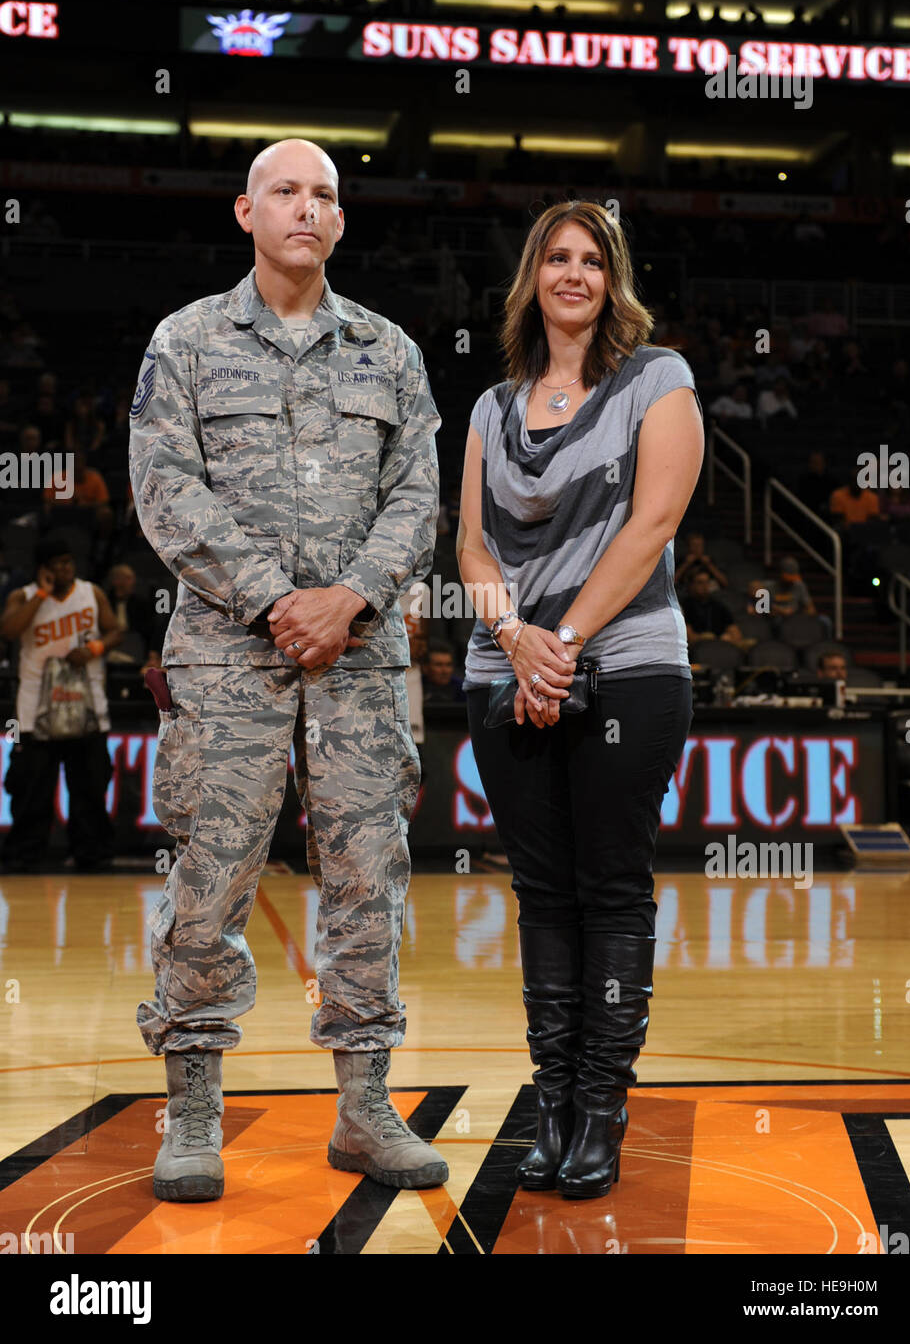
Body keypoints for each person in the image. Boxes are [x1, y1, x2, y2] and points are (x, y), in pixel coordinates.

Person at [128, 138, 445, 1202]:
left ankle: (363, 1111)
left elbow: (417, 501)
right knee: (207, 885)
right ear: (245, 212)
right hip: (228, 663)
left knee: (368, 884)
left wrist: (348, 598)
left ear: (341, 221)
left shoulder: (391, 351)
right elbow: (166, 491)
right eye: (285, 192)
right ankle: (192, 1114)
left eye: (324, 194)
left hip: (357, 666)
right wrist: (275, 599)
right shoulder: (184, 341)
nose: (305, 208)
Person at [458, 200, 703, 1198]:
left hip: (627, 667)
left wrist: (556, 644)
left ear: (612, 280)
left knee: (609, 888)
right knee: (540, 894)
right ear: (533, 276)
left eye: (591, 260)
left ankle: (601, 1107)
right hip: (504, 669)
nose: (572, 273)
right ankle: (552, 1102)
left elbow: (650, 525)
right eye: (555, 257)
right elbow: (471, 546)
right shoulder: (488, 406)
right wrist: (513, 637)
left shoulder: (658, 378)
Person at [0, 538, 122, 873]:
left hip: (87, 710)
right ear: (43, 569)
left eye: (68, 562)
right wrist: (41, 594)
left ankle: (92, 855)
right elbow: (9, 630)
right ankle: (26, 856)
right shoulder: (23, 597)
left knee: (89, 790)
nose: (64, 569)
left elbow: (116, 632)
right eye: (57, 563)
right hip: (34, 715)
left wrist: (95, 648)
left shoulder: (91, 593)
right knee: (31, 794)